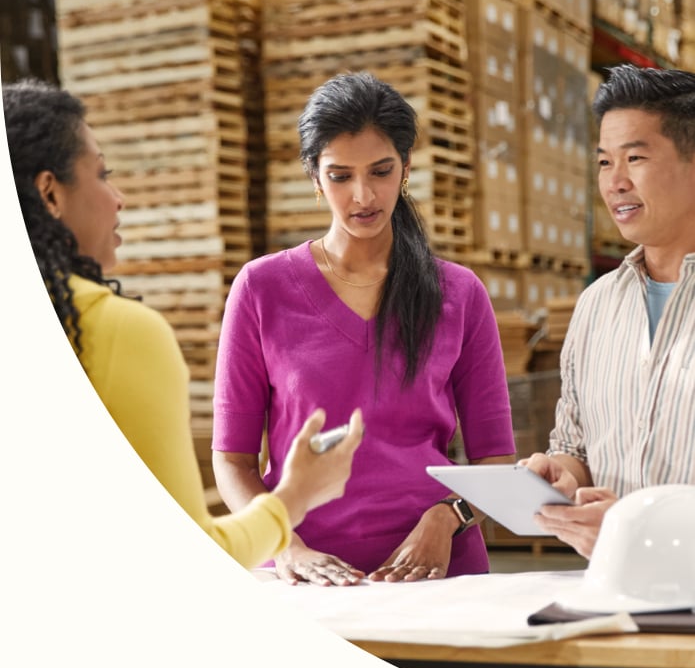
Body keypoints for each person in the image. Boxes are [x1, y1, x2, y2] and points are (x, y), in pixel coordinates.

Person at [3, 77, 363, 570]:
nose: (119, 198)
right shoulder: (115, 330)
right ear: (50, 193)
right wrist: (294, 496)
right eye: (103, 173)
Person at [212, 71, 516, 586]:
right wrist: (286, 545)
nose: (363, 195)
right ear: (314, 177)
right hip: (302, 580)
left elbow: (496, 457)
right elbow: (233, 461)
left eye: (380, 171)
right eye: (340, 176)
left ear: (406, 168)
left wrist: (449, 518)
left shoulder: (460, 294)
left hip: (440, 576)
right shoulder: (261, 289)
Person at [524, 63, 695, 559]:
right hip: (614, 595)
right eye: (603, 163)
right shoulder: (597, 306)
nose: (615, 182)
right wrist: (562, 475)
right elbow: (575, 444)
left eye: (635, 158)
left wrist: (636, 531)